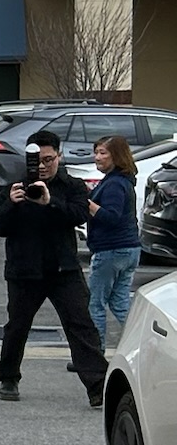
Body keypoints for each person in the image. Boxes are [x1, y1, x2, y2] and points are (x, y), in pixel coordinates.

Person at [0, 129, 107, 406]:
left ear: (59, 156)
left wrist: (50, 202)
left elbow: (79, 215)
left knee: (81, 325)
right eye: (37, 161)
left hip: (63, 269)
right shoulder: (16, 186)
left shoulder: (72, 186)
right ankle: (8, 377)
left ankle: (98, 385)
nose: (43, 167)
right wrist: (11, 204)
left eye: (49, 160)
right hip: (24, 270)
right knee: (17, 326)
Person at [86, 134, 141, 350]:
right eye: (96, 152)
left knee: (95, 303)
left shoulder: (114, 184)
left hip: (111, 250)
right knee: (119, 302)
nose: (97, 157)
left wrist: (87, 203)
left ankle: (95, 353)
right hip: (130, 249)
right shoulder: (122, 180)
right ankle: (142, 341)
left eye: (103, 153)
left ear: (116, 156)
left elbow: (111, 216)